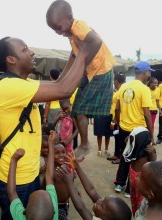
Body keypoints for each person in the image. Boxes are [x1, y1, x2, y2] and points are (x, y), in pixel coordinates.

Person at [0, 36, 87, 220]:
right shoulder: (9, 86)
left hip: (28, 171)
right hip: (17, 178)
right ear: (11, 59)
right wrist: (84, 52)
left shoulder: (23, 83)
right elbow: (64, 89)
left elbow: (58, 83)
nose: (32, 52)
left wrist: (74, 56)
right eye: (25, 49)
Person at [46, 0, 115, 160]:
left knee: (80, 109)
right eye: (54, 29)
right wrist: (61, 79)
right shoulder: (72, 35)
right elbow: (73, 56)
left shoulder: (78, 26)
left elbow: (96, 42)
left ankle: (84, 144)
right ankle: (83, 141)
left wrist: (82, 66)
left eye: (58, 27)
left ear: (69, 18)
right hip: (92, 73)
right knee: (76, 109)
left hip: (100, 72)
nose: (57, 31)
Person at [113, 61, 153, 198]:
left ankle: (119, 183)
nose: (150, 74)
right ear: (144, 73)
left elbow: (117, 108)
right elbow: (147, 114)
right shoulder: (144, 89)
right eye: (149, 72)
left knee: (125, 155)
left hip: (124, 128)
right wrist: (152, 135)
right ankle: (130, 189)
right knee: (137, 160)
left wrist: (118, 123)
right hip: (139, 131)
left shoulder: (124, 86)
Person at [56, 151, 132, 220]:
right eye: (103, 199)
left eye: (102, 205)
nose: (99, 200)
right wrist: (76, 166)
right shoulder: (104, 208)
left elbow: (81, 209)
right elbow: (91, 190)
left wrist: (69, 182)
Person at [7, 131, 58, 220]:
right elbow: (49, 175)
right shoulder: (52, 213)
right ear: (54, 212)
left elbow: (11, 193)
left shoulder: (22, 217)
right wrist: (51, 145)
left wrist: (14, 160)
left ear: (25, 211)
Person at [122, 127, 156, 215]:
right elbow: (127, 140)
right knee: (134, 200)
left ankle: (140, 216)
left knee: (141, 203)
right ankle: (135, 215)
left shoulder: (148, 150)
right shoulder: (133, 147)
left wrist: (153, 153)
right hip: (132, 176)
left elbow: (154, 164)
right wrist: (131, 135)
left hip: (142, 179)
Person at [107, 73, 126, 164]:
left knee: (119, 139)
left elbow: (118, 108)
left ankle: (120, 157)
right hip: (117, 117)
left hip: (118, 119)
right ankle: (116, 154)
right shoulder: (120, 91)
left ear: (116, 81)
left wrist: (114, 121)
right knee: (116, 137)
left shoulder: (120, 92)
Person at [53, 142, 74, 219]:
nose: (61, 155)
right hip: (56, 206)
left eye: (63, 152)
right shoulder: (51, 171)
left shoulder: (66, 167)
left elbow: (70, 182)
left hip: (66, 203)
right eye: (57, 153)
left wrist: (75, 189)